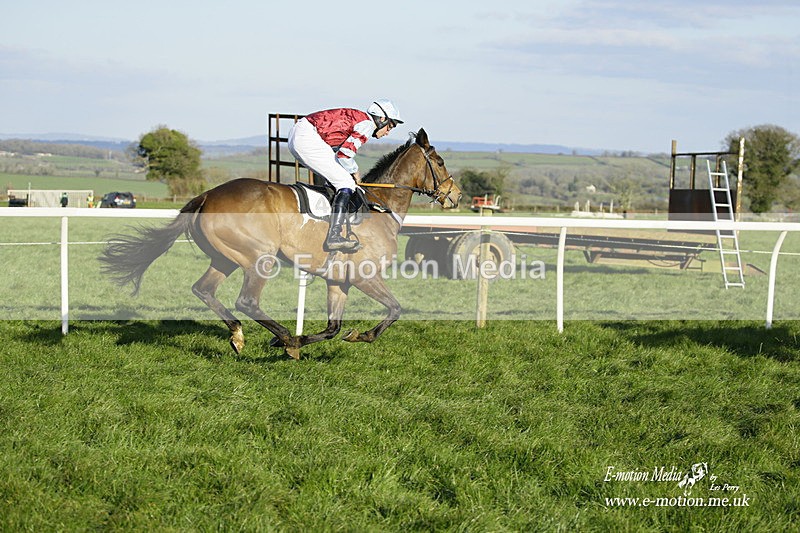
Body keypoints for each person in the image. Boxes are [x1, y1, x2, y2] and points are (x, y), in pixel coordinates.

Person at [288, 99, 403, 252]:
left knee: (336, 181)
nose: (388, 132)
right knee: (346, 183)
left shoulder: (361, 119)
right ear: (382, 119)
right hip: (307, 137)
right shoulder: (368, 125)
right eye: (390, 126)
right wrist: (355, 172)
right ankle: (334, 236)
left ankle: (323, 224)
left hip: (301, 133)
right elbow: (345, 155)